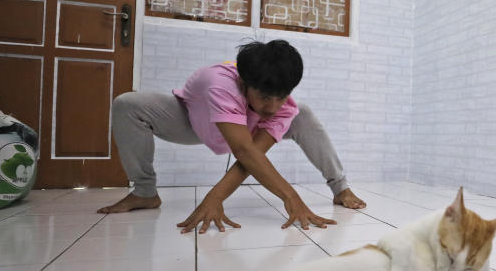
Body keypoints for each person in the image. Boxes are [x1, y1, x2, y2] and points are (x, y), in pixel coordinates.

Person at [97, 39, 366, 232]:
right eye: (264, 98)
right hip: (194, 120)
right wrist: (291, 198)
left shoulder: (282, 107)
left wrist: (215, 197)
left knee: (302, 113)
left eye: (281, 98)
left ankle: (340, 188)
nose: (272, 108)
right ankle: (145, 192)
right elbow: (245, 152)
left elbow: (252, 154)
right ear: (244, 83)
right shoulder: (220, 84)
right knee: (127, 105)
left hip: (245, 132)